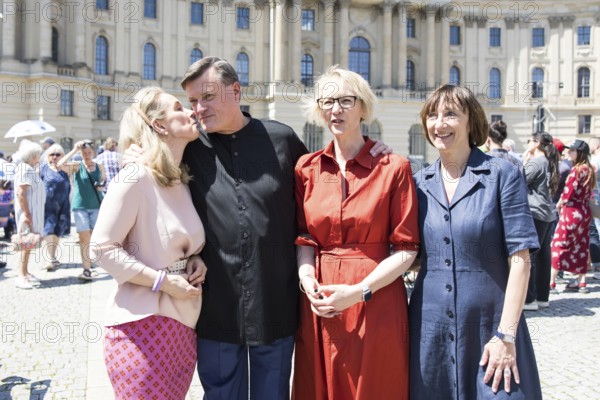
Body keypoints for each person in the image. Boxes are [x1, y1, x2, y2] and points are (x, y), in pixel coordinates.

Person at [125, 57, 389, 399]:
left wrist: (373, 151)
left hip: (274, 306)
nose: (198, 109)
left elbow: (326, 185)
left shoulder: (283, 139)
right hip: (215, 308)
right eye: (191, 101)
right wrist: (137, 157)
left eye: (206, 97)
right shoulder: (189, 148)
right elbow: (157, 199)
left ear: (236, 91)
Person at [292, 66, 419, 399]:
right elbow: (304, 237)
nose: (336, 109)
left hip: (375, 298)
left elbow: (407, 249)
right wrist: (307, 282)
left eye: (346, 100)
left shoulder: (394, 167)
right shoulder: (306, 168)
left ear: (363, 107)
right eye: (328, 101)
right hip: (320, 300)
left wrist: (360, 291)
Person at [410, 84, 542, 399]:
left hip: (491, 328)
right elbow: (409, 255)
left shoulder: (502, 174)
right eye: (432, 115)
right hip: (431, 334)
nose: (439, 123)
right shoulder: (417, 183)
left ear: (472, 122)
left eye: (451, 114)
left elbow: (520, 258)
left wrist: (506, 335)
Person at [90, 87, 206, 400]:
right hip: (141, 329)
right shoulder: (134, 177)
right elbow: (101, 249)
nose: (192, 111)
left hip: (182, 327)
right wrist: (163, 282)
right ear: (159, 125)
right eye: (180, 107)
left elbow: (179, 244)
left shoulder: (179, 181)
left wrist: (195, 259)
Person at [551, 139, 596, 294]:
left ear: (580, 153)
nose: (569, 152)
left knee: (559, 244)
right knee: (581, 245)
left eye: (572, 150)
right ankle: (581, 282)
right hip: (584, 211)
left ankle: (551, 283)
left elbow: (568, 192)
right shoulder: (590, 169)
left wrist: (558, 205)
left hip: (571, 211)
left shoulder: (576, 170)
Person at [57, 140, 105, 280]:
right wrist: (73, 150)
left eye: (89, 152)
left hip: (96, 205)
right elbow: (60, 165)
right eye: (84, 153)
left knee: (94, 237)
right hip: (80, 207)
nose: (87, 155)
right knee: (84, 237)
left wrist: (100, 187)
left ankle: (92, 261)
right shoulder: (77, 166)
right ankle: (86, 269)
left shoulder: (99, 166)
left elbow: (102, 181)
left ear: (94, 152)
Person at [522, 132, 560, 310]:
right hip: (546, 212)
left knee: (529, 256)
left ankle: (529, 299)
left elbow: (518, 181)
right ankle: (542, 297)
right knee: (543, 256)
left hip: (535, 211)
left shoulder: (537, 162)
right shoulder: (549, 161)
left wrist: (524, 161)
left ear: (537, 143)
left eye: (529, 140)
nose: (527, 143)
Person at [13, 140, 46, 289]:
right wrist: (26, 213)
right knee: (25, 244)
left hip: (32, 214)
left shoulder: (28, 169)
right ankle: (21, 275)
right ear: (33, 156)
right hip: (29, 215)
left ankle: (25, 272)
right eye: (39, 154)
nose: (40, 156)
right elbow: (21, 193)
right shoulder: (26, 169)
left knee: (29, 244)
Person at [40, 143, 71, 271]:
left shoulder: (66, 169)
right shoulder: (43, 168)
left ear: (62, 156)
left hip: (63, 204)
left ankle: (53, 256)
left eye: (57, 154)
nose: (54, 157)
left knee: (58, 231)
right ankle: (49, 258)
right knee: (48, 230)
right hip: (48, 205)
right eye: (51, 154)